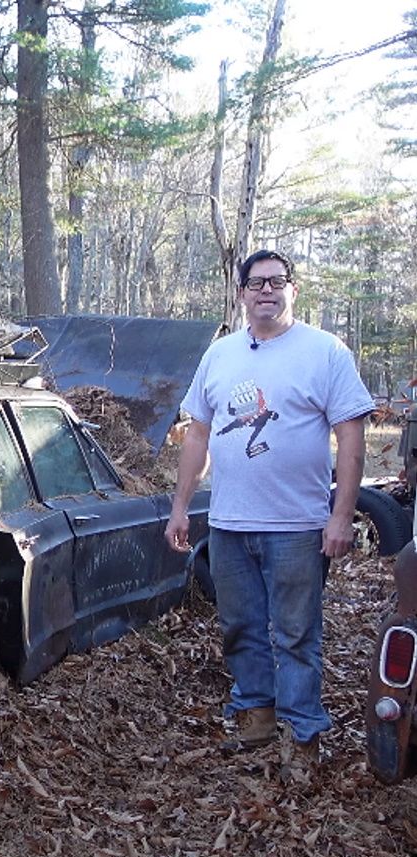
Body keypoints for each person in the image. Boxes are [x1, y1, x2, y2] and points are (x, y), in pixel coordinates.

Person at [164, 249, 374, 767]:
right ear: (241, 293)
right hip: (231, 524)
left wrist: (341, 514)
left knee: (297, 632)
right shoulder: (220, 356)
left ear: (292, 290)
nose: (266, 290)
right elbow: (198, 434)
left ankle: (303, 735)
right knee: (240, 626)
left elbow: (351, 436)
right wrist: (181, 507)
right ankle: (255, 718)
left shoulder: (325, 352)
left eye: (277, 281)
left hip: (298, 527)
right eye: (256, 282)